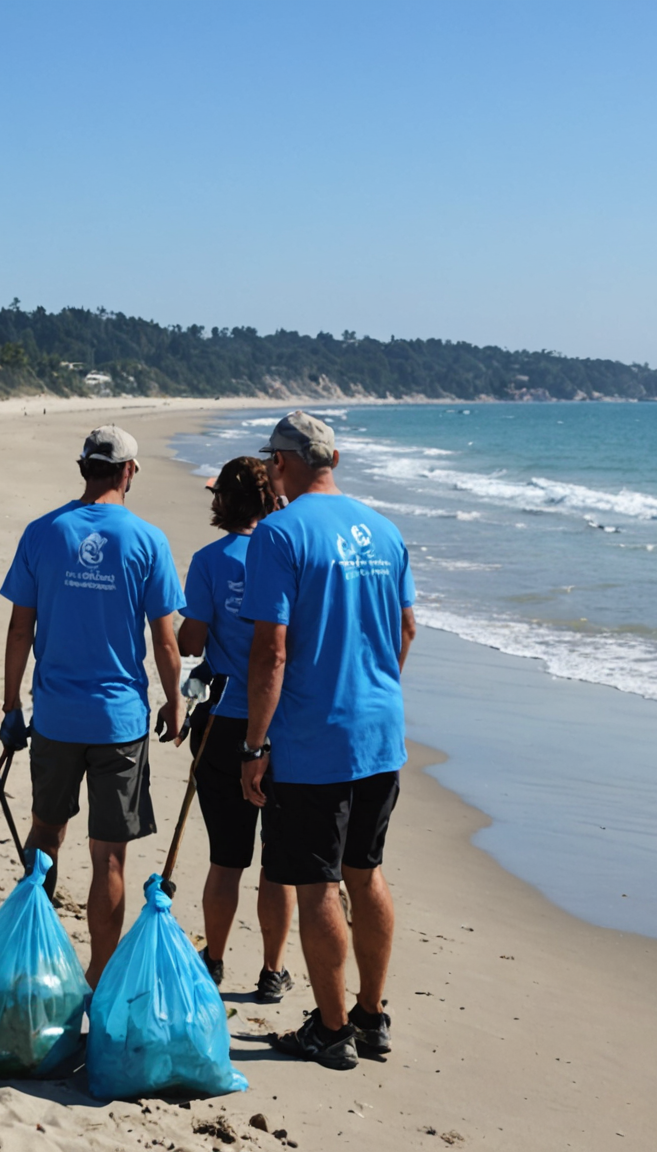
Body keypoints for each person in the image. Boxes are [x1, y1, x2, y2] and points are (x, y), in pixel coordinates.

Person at [239, 411, 416, 1070]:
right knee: (366, 872)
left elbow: (271, 650)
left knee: (316, 883)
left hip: (315, 735)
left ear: (281, 463)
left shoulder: (279, 533)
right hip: (380, 730)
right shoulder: (386, 530)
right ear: (332, 459)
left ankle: (333, 1029)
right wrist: (376, 689)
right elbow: (406, 630)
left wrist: (255, 744)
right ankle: (372, 1015)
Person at [0, 425, 185, 983]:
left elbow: (18, 629)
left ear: (84, 468)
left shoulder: (43, 533)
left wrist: (12, 705)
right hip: (119, 720)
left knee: (45, 835)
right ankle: (100, 981)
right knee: (109, 857)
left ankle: (28, 961)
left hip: (55, 715)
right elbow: (165, 638)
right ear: (128, 471)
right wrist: (176, 701)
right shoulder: (147, 540)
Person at [176, 456, 294, 1002]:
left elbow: (192, 641)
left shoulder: (210, 559)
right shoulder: (289, 552)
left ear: (226, 500)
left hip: (224, 721)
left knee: (226, 855)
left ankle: (216, 960)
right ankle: (272, 971)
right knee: (279, 857)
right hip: (283, 723)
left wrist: (193, 638)